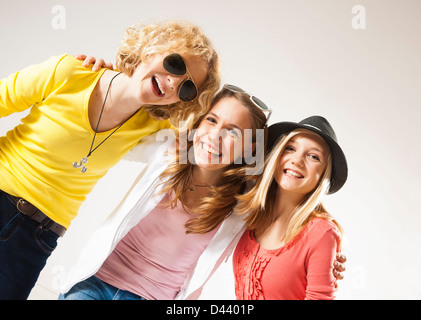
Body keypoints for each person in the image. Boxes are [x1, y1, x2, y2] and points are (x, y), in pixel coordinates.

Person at [0, 21, 220, 300]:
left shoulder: (156, 129)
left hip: (37, 236)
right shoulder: (71, 72)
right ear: (149, 49)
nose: (174, 82)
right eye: (175, 64)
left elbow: (221, 152)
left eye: (187, 88)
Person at [60, 87, 345, 300]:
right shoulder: (168, 152)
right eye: (211, 121)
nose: (215, 136)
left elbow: (291, 199)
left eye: (233, 132)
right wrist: (112, 80)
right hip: (94, 282)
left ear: (250, 149)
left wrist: (327, 253)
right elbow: (113, 129)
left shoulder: (245, 203)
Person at [233, 116, 348, 299]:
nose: (297, 160)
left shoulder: (321, 234)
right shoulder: (253, 213)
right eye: (290, 148)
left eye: (313, 156)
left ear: (324, 175)